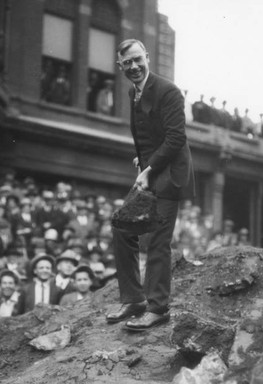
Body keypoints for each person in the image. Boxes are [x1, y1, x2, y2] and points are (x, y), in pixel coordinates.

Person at [105, 39, 193, 331]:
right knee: (121, 228)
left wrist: (150, 168)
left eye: (136, 59)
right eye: (126, 63)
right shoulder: (134, 91)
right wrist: (140, 159)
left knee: (157, 240)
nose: (133, 67)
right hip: (150, 170)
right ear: (120, 67)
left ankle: (158, 309)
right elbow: (149, 133)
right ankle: (134, 299)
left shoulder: (168, 91)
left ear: (148, 58)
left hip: (169, 177)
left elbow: (175, 138)